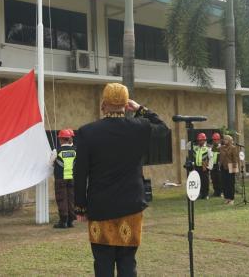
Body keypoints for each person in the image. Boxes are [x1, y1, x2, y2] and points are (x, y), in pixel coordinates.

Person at [74, 83, 168, 277]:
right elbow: (163, 128)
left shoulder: (87, 132)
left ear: (103, 104)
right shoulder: (139, 127)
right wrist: (141, 109)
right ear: (127, 105)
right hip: (131, 207)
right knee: (127, 262)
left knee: (102, 263)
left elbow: (80, 172)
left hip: (100, 208)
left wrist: (80, 207)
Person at [52, 128, 77, 229]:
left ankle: (63, 221)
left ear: (61, 139)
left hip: (60, 179)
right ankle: (71, 221)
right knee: (71, 199)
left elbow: (49, 163)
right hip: (71, 178)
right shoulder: (75, 150)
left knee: (62, 199)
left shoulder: (56, 151)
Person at [219, 135, 240, 205]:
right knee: (224, 183)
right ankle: (226, 198)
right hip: (223, 167)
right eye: (224, 139)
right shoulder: (221, 148)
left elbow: (235, 159)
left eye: (226, 139)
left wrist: (235, 169)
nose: (224, 141)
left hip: (230, 167)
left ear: (230, 141)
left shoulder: (233, 148)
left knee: (230, 184)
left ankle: (231, 199)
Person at [192, 133, 211, 200]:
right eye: (199, 140)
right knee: (198, 181)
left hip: (204, 167)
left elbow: (211, 158)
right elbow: (187, 145)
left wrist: (209, 167)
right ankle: (200, 193)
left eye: (201, 140)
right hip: (197, 167)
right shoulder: (195, 147)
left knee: (205, 181)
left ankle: (206, 194)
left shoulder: (207, 148)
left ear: (204, 140)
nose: (200, 141)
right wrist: (193, 140)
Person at [210, 133, 222, 197]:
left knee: (219, 179)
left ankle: (220, 192)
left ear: (219, 140)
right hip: (212, 165)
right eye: (214, 139)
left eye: (217, 139)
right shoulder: (211, 148)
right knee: (213, 178)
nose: (215, 141)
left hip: (219, 165)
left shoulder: (221, 147)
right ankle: (215, 191)